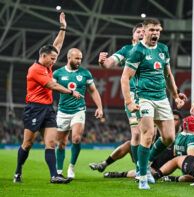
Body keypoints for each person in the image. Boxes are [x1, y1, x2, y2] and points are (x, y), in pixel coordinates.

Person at [13, 12, 81, 184]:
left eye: (55, 59)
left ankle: (54, 176)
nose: (54, 61)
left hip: (48, 108)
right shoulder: (35, 70)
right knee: (27, 143)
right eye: (51, 59)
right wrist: (70, 92)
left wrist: (63, 27)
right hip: (34, 108)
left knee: (51, 143)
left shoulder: (47, 64)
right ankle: (18, 171)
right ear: (43, 56)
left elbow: (57, 45)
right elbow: (52, 85)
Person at [121, 18, 186, 189]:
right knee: (148, 134)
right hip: (144, 98)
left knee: (169, 137)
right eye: (152, 30)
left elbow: (168, 75)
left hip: (162, 98)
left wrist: (176, 96)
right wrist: (129, 102)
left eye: (158, 30)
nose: (155, 33)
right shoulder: (138, 51)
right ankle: (142, 176)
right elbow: (125, 77)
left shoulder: (163, 49)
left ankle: (146, 163)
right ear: (145, 30)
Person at [89, 23, 144, 175]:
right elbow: (110, 63)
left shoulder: (152, 51)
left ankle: (143, 166)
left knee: (151, 135)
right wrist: (102, 62)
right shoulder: (127, 50)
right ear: (133, 35)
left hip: (152, 96)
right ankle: (140, 170)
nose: (141, 33)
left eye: (143, 31)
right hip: (133, 97)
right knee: (137, 134)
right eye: (138, 31)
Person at [54, 48, 103, 179]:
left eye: (80, 58)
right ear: (69, 58)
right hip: (63, 111)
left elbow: (93, 90)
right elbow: (50, 87)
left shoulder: (85, 73)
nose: (79, 61)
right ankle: (58, 171)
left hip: (79, 110)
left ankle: (71, 166)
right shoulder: (58, 73)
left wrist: (100, 107)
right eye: (76, 58)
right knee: (61, 143)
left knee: (76, 138)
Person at [89, 110, 182, 174]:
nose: (172, 121)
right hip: (147, 159)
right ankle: (104, 164)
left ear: (180, 123)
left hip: (159, 169)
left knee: (147, 172)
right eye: (171, 119)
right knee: (129, 144)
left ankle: (119, 174)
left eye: (176, 119)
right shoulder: (159, 130)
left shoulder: (182, 137)